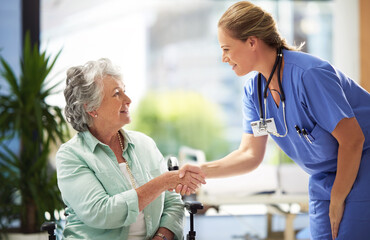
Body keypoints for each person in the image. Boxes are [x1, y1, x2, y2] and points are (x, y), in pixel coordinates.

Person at [178, 1, 370, 239]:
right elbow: (249, 155)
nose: (223, 58)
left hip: (362, 165)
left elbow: (353, 141)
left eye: (226, 48)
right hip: (323, 178)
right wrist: (201, 170)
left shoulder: (309, 75)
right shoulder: (254, 92)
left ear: (251, 42)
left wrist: (338, 197)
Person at [56, 58, 205, 240]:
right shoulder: (71, 155)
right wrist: (163, 182)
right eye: (117, 94)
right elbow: (102, 213)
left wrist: (162, 237)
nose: (128, 100)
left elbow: (172, 202)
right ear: (91, 107)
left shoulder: (144, 144)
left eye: (124, 91)